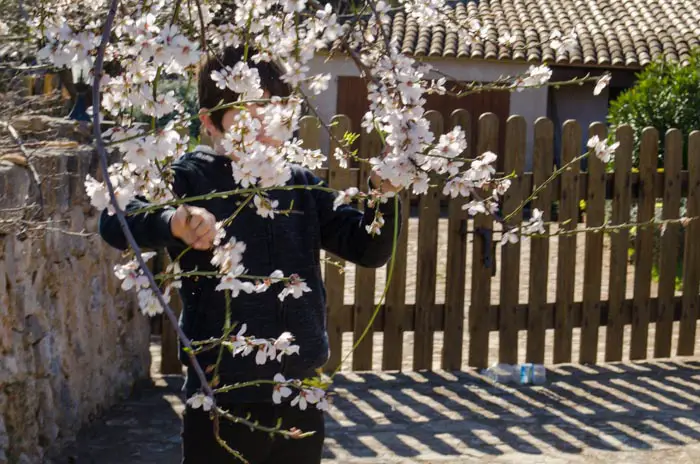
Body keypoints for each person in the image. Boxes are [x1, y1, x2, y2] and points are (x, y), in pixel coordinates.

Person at [98, 46, 401, 463]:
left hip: (299, 387)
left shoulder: (302, 187)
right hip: (222, 392)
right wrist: (175, 223)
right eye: (249, 113)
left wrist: (383, 197)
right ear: (210, 122)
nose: (264, 127)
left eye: (274, 112)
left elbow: (368, 248)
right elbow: (116, 220)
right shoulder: (190, 178)